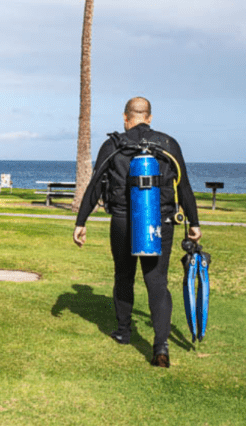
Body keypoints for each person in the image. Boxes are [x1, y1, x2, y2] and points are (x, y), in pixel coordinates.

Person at [72, 97, 201, 368]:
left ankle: (123, 331)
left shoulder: (113, 145)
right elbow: (184, 186)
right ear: (150, 117)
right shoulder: (168, 144)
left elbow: (95, 185)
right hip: (160, 221)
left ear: (125, 117)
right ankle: (161, 346)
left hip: (122, 221)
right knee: (157, 282)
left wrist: (81, 221)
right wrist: (194, 223)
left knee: (124, 276)